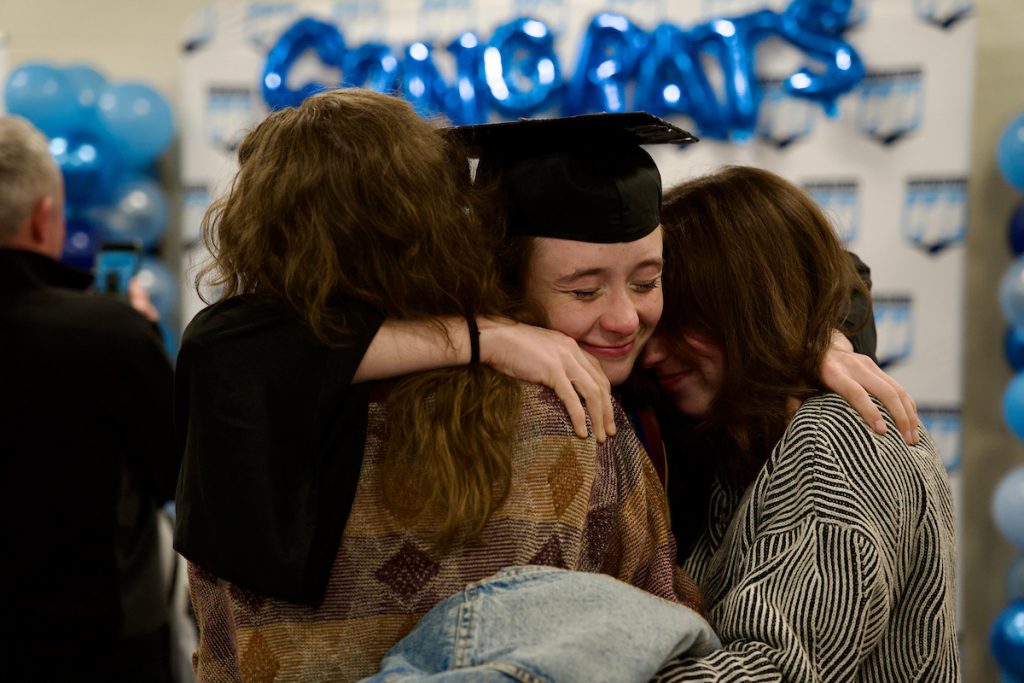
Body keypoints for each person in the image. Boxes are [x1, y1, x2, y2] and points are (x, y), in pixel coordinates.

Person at [175, 90, 707, 682]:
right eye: (583, 290)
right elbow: (657, 621)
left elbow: (216, 642)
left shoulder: (235, 426)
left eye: (646, 282)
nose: (624, 319)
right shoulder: (568, 412)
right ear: (452, 234)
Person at [644, 166, 959, 680]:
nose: (651, 352)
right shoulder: (755, 438)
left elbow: (773, 670)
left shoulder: (838, 437)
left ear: (749, 308)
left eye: (681, 319)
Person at [0, 116, 178, 681]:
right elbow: (179, 474)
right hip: (92, 642)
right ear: (44, 216)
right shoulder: (108, 333)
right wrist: (137, 337)